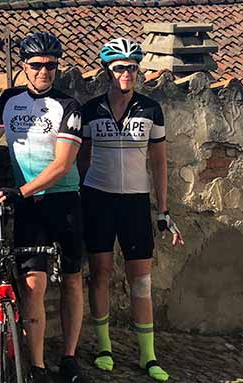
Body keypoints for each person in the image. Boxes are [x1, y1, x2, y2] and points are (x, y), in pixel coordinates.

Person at [0, 32, 87, 383]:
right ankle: (36, 366)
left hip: (64, 203)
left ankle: (69, 357)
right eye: (37, 65)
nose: (44, 72)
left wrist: (19, 191)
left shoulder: (68, 107)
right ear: (23, 67)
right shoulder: (9, 100)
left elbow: (62, 166)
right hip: (29, 207)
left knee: (71, 280)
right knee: (32, 286)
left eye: (51, 66)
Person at [78, 37, 184, 382]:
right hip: (98, 198)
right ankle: (104, 346)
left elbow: (158, 160)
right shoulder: (91, 109)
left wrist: (163, 208)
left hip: (136, 202)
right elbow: (82, 158)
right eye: (120, 68)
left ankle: (148, 356)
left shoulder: (151, 108)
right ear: (108, 71)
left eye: (132, 68)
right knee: (101, 273)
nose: (127, 73)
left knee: (141, 280)